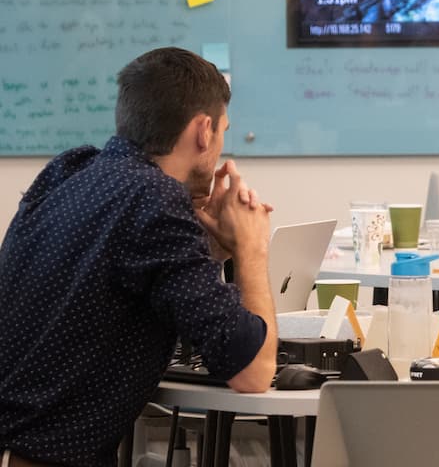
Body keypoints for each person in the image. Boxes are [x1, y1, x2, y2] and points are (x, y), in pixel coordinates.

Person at [0, 47, 278, 467]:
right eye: (223, 130)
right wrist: (251, 250)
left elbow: (119, 281)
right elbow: (253, 373)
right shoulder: (157, 199)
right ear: (204, 130)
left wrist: (212, 250)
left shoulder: (69, 170)